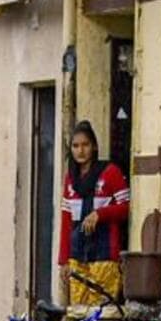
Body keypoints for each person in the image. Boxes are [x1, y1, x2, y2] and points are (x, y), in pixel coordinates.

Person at [57, 121, 130, 310]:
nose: (80, 151)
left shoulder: (110, 173)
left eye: (85, 145)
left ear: (94, 146)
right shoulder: (70, 180)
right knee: (79, 312)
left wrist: (101, 214)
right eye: (75, 146)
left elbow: (126, 208)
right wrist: (63, 261)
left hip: (104, 254)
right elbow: (66, 221)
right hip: (77, 255)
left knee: (102, 312)